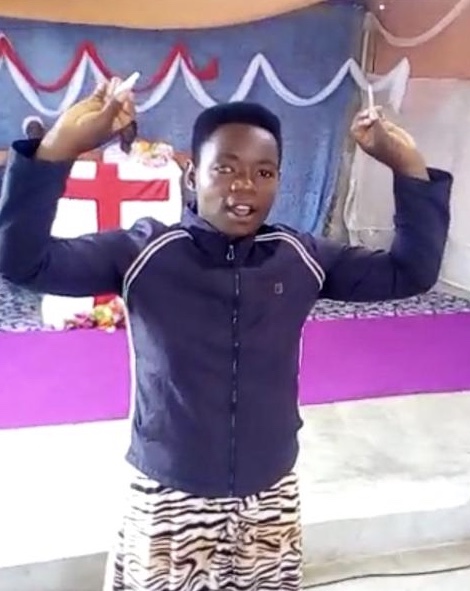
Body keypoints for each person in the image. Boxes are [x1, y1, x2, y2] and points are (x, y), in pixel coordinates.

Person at [0, 79, 452, 590]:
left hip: (269, 494)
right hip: (172, 494)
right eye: (226, 168)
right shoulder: (146, 253)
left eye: (264, 172)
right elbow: (22, 261)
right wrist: (59, 148)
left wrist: (406, 165)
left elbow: (410, 272)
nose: (245, 186)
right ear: (194, 176)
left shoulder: (299, 257)